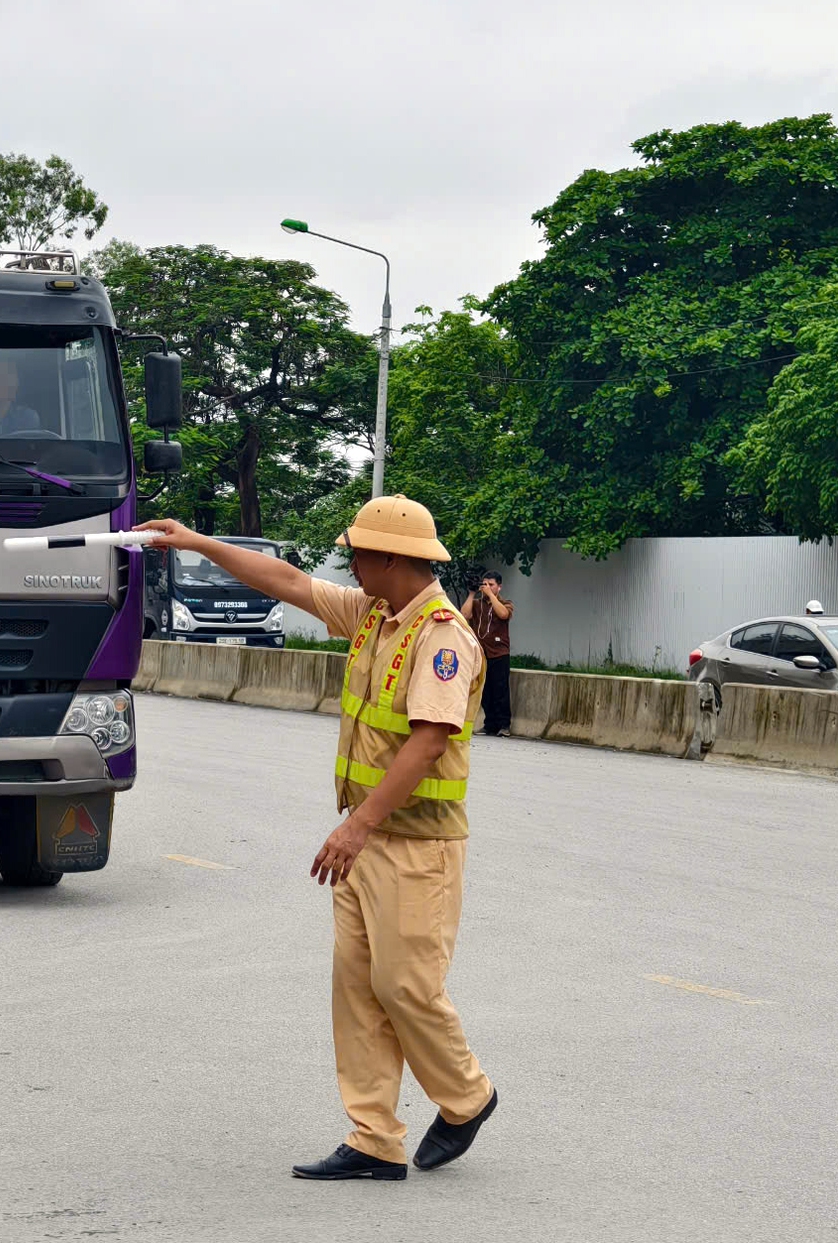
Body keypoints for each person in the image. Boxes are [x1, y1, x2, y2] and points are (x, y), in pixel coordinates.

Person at [139, 496, 499, 1182]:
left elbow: (427, 743)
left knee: (405, 985)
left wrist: (356, 825)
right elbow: (287, 583)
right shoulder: (373, 614)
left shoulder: (442, 635)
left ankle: (468, 1095)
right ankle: (374, 1136)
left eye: (359, 550)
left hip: (417, 845)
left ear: (393, 557)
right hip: (365, 840)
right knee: (358, 988)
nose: (349, 560)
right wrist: (195, 541)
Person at [462, 571, 514, 737]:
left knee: (500, 690)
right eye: (485, 584)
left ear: (499, 586)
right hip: (481, 654)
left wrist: (491, 595)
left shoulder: (506, 603)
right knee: (485, 691)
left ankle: (504, 725)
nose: (487, 587)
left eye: (491, 584)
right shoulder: (477, 604)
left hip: (499, 653)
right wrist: (471, 593)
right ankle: (490, 724)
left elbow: (503, 614)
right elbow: (464, 615)